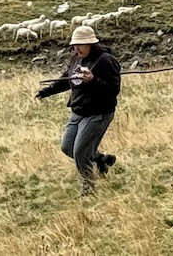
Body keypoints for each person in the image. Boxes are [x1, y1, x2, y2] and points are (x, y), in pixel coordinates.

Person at [36, 26, 122, 196]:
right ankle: (100, 160)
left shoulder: (105, 61)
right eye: (74, 45)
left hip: (98, 113)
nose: (76, 48)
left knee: (80, 152)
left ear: (90, 44)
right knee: (67, 147)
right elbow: (66, 79)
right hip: (78, 111)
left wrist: (93, 80)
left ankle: (88, 191)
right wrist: (45, 92)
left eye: (80, 45)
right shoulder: (76, 59)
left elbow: (113, 89)